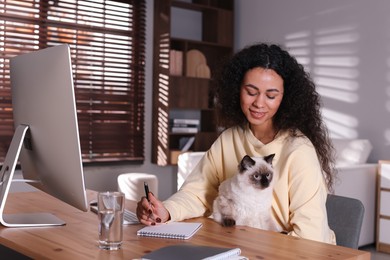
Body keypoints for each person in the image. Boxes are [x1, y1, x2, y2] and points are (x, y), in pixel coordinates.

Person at [137, 43, 337, 244]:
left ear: (286, 99)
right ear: (236, 90)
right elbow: (197, 193)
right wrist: (166, 210)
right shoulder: (229, 139)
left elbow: (310, 238)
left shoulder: (299, 151)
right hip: (244, 246)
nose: (259, 103)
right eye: (251, 92)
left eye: (271, 95)